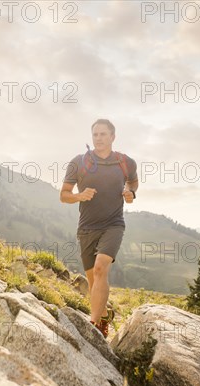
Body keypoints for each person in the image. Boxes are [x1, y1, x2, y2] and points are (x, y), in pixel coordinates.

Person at [60, 119, 138, 337]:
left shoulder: (125, 162)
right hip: (86, 228)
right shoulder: (79, 162)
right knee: (94, 282)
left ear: (113, 136)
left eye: (103, 134)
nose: (99, 138)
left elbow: (133, 182)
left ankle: (94, 325)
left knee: (101, 268)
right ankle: (104, 317)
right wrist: (79, 196)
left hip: (113, 224)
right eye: (95, 134)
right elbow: (64, 194)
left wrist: (130, 193)